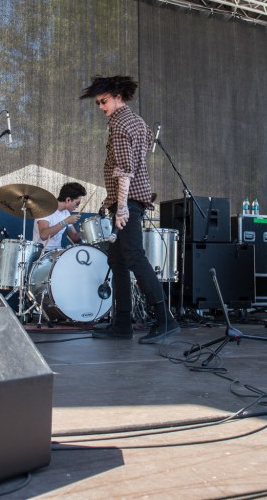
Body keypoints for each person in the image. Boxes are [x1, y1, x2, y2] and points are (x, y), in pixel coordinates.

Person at [80, 75, 179, 343]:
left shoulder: (120, 125)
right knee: (118, 261)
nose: (101, 107)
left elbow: (125, 170)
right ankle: (122, 323)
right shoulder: (139, 122)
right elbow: (143, 150)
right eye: (98, 103)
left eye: (104, 101)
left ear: (117, 97)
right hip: (126, 201)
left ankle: (166, 320)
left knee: (134, 258)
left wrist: (121, 207)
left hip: (128, 203)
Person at [33, 182, 85, 252]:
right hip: (41, 253)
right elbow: (43, 235)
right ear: (68, 200)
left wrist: (88, 230)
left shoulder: (66, 213)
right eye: (77, 203)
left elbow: (74, 237)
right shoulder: (46, 209)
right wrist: (66, 222)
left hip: (56, 253)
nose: (77, 206)